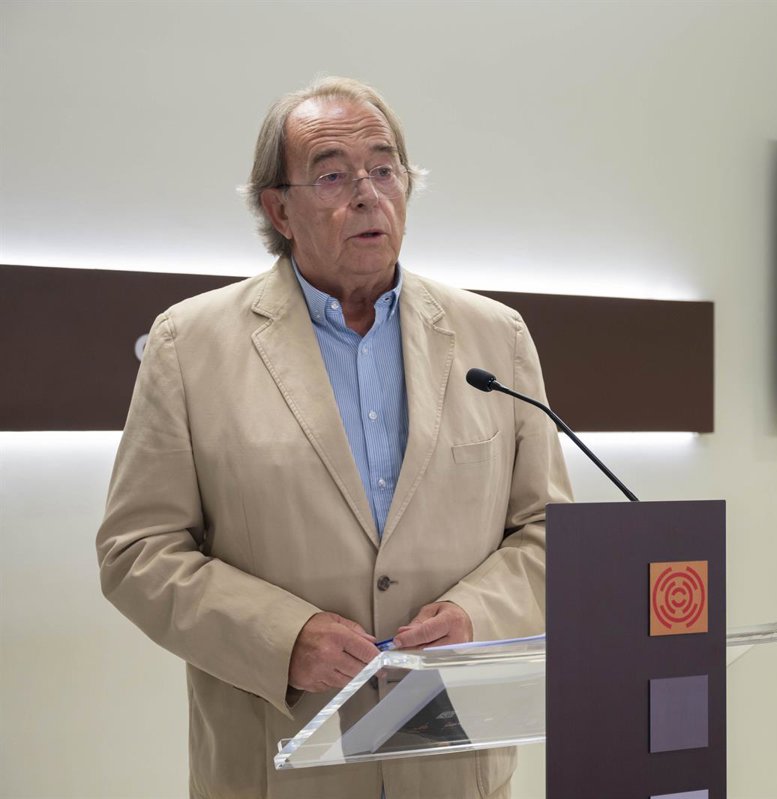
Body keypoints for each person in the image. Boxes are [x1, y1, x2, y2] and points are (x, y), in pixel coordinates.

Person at [96, 77, 572, 799]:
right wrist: (281, 636)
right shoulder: (188, 344)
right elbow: (137, 551)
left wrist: (477, 615)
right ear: (278, 209)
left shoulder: (495, 336)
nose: (367, 194)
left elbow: (549, 532)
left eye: (384, 169)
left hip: (450, 763)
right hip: (278, 760)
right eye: (332, 176)